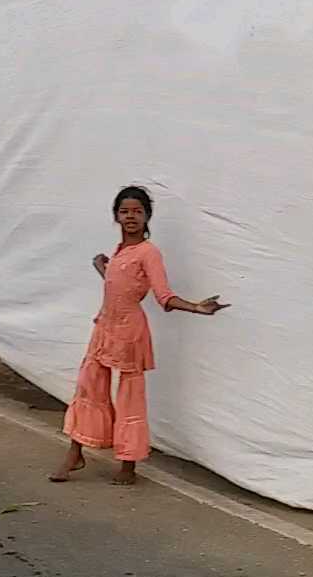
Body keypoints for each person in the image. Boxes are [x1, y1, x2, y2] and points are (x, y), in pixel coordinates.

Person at [49, 186, 228, 486]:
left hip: (130, 333)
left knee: (130, 396)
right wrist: (103, 269)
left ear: (147, 217)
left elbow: (163, 295)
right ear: (116, 216)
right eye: (124, 211)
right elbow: (122, 285)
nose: (130, 217)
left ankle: (128, 466)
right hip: (104, 328)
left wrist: (197, 307)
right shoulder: (121, 251)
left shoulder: (149, 252)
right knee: (87, 388)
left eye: (137, 211)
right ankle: (75, 452)